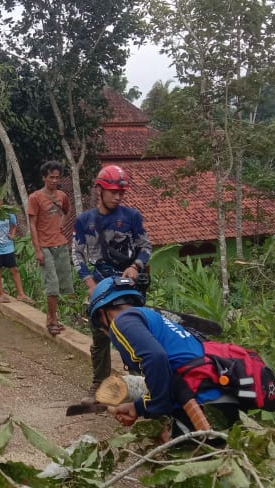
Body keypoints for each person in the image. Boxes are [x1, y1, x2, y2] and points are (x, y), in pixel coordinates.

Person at [87, 276, 241, 438]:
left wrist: (155, 406)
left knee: (186, 457)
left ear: (101, 313)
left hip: (201, 404)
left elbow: (156, 358)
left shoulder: (121, 321)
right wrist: (138, 408)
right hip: (221, 398)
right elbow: (172, 369)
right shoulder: (156, 320)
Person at [74, 164, 153, 398]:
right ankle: (99, 384)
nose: (118, 197)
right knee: (100, 338)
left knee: (135, 335)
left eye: (121, 193)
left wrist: (135, 266)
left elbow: (145, 246)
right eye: (113, 192)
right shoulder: (84, 221)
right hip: (100, 285)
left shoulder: (132, 217)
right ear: (100, 190)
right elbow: (77, 253)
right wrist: (89, 283)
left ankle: (140, 386)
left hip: (128, 287)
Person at [27, 161, 73, 336]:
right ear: (44, 177)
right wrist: (37, 249)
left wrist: (61, 224)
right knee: (52, 285)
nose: (54, 180)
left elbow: (67, 211)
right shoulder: (35, 198)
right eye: (51, 177)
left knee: (62, 285)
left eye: (57, 177)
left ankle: (54, 317)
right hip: (44, 245)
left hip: (60, 244)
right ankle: (50, 320)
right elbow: (32, 224)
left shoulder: (62, 196)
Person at [0, 190, 29, 304]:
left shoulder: (9, 214)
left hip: (8, 247)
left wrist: (12, 233)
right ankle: (1, 294)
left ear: (1, 201)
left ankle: (21, 294)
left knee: (14, 269)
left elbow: (14, 225)